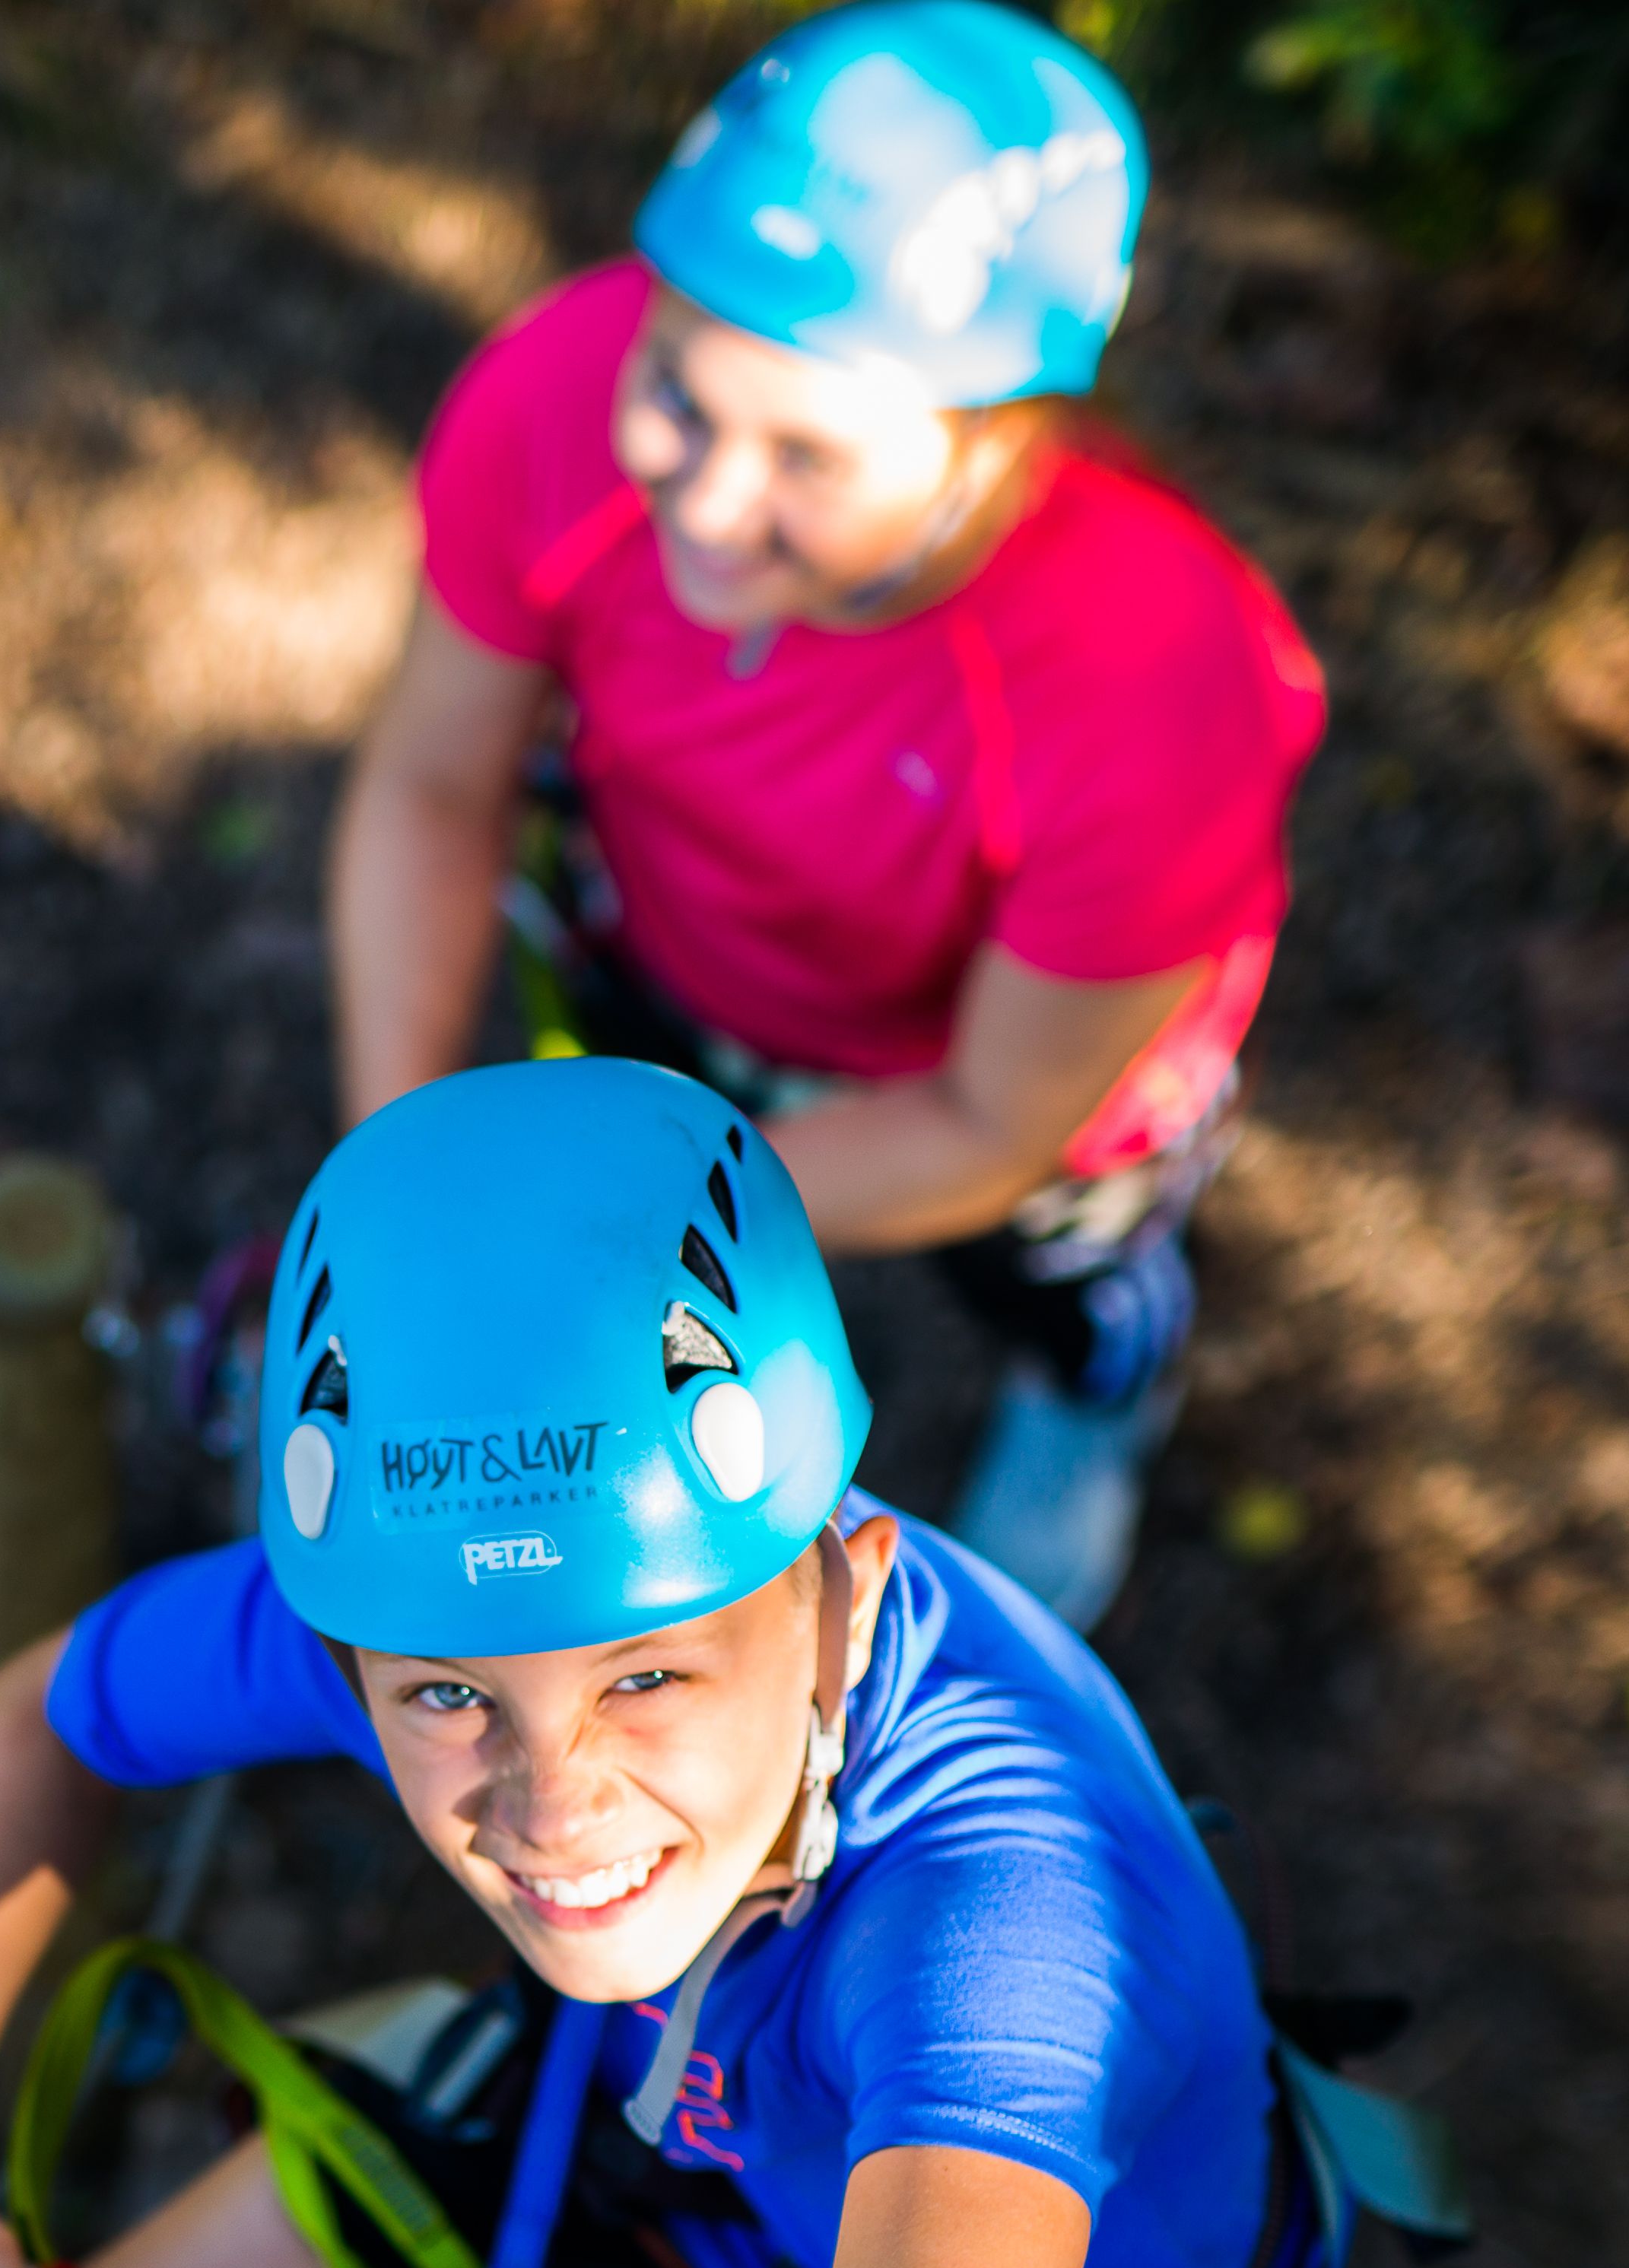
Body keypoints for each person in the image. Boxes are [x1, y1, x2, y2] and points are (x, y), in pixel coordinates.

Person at [0, 1060, 1446, 2268]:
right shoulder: (412, 1583)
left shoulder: (1008, 1907)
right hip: (679, 2107)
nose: (552, 1807)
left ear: (856, 1577)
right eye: (448, 1695)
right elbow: (38, 1726)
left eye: (649, 1674)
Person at [327, 0, 1326, 1629]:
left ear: (996, 440)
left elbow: (991, 1127)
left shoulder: (1154, 685)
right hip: (668, 945)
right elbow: (435, 779)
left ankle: (1087, 1404)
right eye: (679, 389)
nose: (706, 502)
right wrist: (393, 1181)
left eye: (805, 451)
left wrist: (620, 1246)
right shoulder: (558, 394)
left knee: (1063, 1288)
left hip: (1025, 1107)